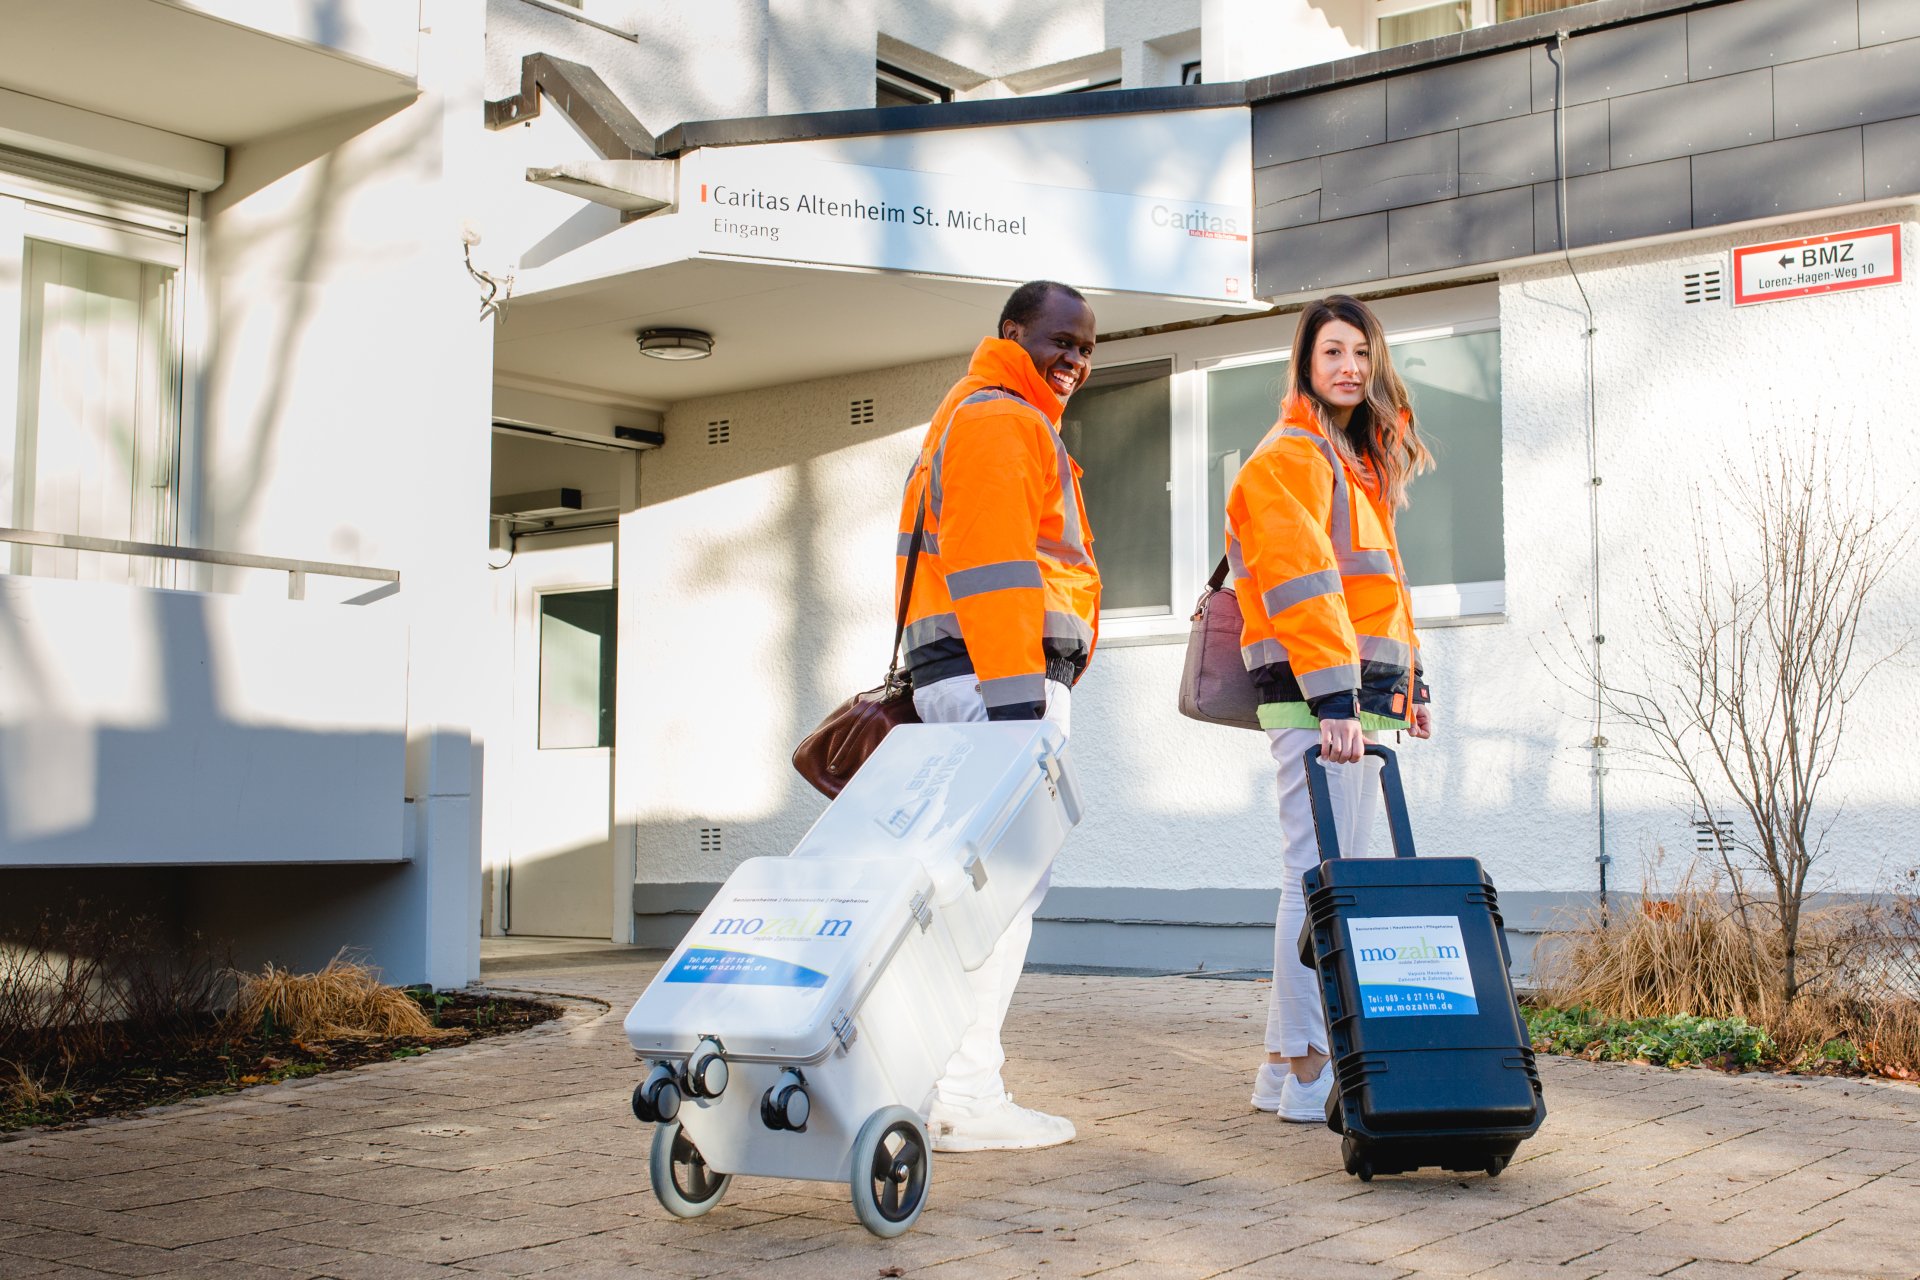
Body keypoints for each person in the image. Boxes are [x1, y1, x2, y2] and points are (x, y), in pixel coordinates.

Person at [894, 279, 1101, 1152]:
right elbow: (996, 570)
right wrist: (1021, 707)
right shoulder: (998, 420)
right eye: (1060, 340)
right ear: (1012, 333)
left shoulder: (981, 417)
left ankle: (940, 1083)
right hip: (999, 687)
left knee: (971, 892)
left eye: (1087, 348)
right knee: (1000, 897)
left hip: (978, 681)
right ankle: (964, 1096)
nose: (1075, 360)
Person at [1224, 294, 1433, 1123]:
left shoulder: (1348, 462)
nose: (1348, 367)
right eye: (1331, 353)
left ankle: (1285, 1069)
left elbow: (1373, 597)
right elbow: (1305, 591)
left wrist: (1408, 691)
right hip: (1324, 700)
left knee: (1314, 877)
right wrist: (1339, 699)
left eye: (1360, 354)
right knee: (1315, 882)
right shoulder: (1295, 456)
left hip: (1349, 695)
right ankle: (1311, 1068)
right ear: (1306, 367)